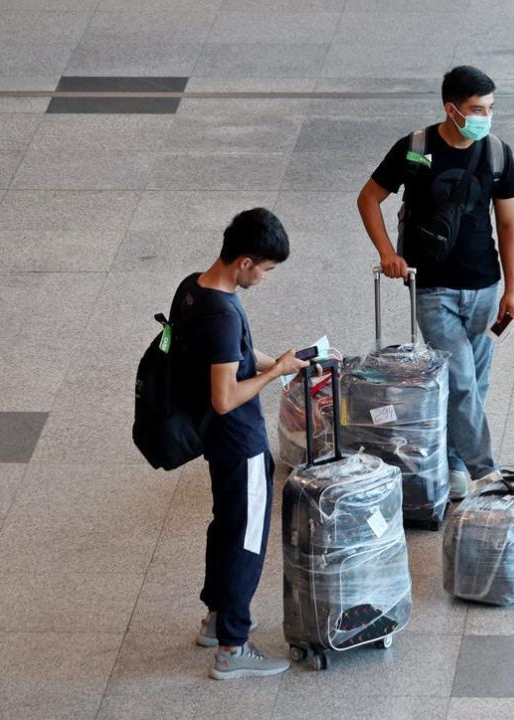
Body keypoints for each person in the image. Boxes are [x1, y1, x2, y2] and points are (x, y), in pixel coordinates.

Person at [357, 65, 514, 499]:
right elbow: (369, 198)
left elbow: (507, 225)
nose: (485, 116)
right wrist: (387, 254)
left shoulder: (497, 153)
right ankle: (485, 472)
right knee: (463, 380)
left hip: (485, 286)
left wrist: (512, 288)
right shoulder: (415, 149)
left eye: (490, 108)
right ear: (451, 109)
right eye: (476, 109)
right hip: (433, 289)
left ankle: (452, 465)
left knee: (473, 384)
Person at [169, 207, 310, 678]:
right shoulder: (224, 314)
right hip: (238, 441)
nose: (266, 278)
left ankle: (214, 618)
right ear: (246, 261)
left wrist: (283, 362)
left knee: (226, 524)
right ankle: (233, 645)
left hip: (214, 439)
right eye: (267, 269)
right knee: (248, 539)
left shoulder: (194, 288)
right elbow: (226, 396)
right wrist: (275, 374)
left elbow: (232, 357)